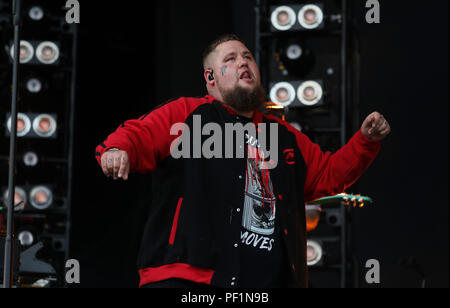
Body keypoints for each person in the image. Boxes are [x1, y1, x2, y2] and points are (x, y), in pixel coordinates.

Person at [95, 34, 391, 288]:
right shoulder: (188, 114)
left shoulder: (283, 136)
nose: (244, 62)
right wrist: (116, 150)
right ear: (211, 77)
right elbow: (138, 133)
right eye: (232, 58)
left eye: (248, 57)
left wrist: (365, 141)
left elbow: (328, 175)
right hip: (189, 278)